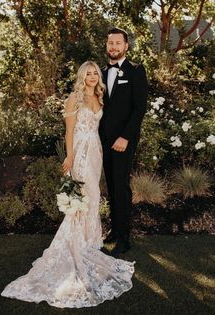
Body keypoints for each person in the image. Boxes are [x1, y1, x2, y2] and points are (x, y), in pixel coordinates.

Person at [1, 61, 135, 308]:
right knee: (82, 198)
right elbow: (69, 132)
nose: (93, 76)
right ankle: (77, 245)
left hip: (96, 151)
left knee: (93, 196)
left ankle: (92, 243)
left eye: (96, 73)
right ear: (81, 76)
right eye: (89, 73)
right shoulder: (74, 99)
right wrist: (70, 157)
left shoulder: (99, 97)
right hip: (80, 152)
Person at [99, 28, 148, 256]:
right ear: (106, 45)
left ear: (126, 46)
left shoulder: (136, 71)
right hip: (103, 140)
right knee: (111, 186)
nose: (114, 47)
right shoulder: (100, 72)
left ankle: (124, 238)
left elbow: (140, 109)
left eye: (118, 43)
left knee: (121, 187)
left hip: (123, 141)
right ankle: (114, 229)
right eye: (110, 43)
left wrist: (125, 137)